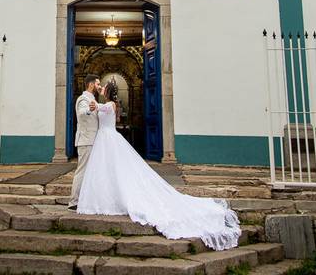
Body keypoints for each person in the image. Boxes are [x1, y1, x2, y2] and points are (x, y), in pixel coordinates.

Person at [77, 81, 241, 251]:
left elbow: (98, 108)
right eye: (100, 86)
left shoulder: (110, 105)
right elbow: (94, 109)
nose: (101, 88)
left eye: (104, 87)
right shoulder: (106, 104)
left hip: (108, 138)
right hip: (104, 139)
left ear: (108, 92)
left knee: (115, 169)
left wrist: (92, 96)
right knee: (107, 170)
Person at [68, 74, 100, 210]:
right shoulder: (83, 99)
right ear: (91, 84)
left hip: (93, 140)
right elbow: (81, 112)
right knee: (82, 170)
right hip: (86, 140)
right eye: (98, 84)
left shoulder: (92, 98)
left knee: (90, 171)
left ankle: (86, 199)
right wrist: (89, 110)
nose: (99, 86)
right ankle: (74, 202)